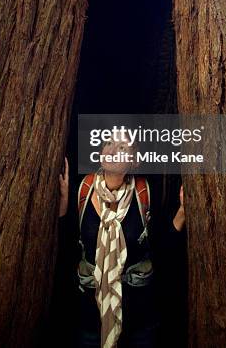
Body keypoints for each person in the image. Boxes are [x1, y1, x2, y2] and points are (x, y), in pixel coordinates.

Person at [58, 134, 186, 348]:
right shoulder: (83, 190)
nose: (112, 149)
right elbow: (67, 246)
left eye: (122, 147)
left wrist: (182, 212)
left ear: (134, 161)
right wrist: (63, 207)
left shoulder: (144, 193)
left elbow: (162, 249)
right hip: (90, 314)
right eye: (108, 143)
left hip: (140, 314)